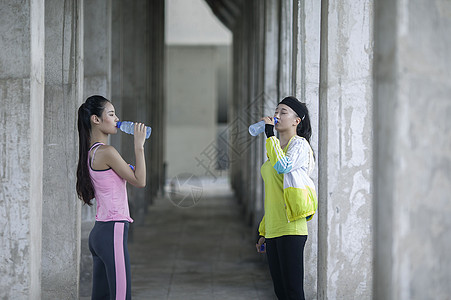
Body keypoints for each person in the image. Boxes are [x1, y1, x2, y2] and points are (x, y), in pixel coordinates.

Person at [76, 95, 147, 300]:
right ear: (96, 119)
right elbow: (140, 181)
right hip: (112, 231)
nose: (117, 119)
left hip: (100, 233)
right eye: (111, 114)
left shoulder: (92, 152)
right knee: (121, 296)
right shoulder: (107, 152)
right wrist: (139, 146)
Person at [255, 96, 317, 300]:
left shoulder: (299, 146)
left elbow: (283, 166)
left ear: (296, 121)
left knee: (293, 292)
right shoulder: (275, 149)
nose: (276, 116)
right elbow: (273, 195)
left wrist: (269, 135)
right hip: (273, 228)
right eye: (276, 111)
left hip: (291, 228)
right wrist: (264, 230)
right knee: (281, 292)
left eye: (283, 112)